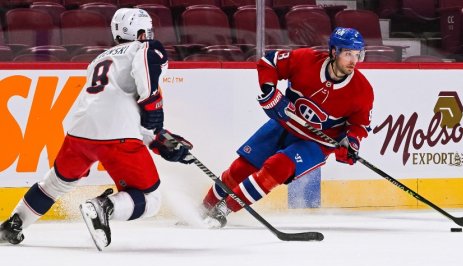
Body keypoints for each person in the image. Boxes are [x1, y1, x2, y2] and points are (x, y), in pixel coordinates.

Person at [0, 8, 193, 250]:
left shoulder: (98, 59)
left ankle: (14, 223)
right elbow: (143, 77)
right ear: (141, 31)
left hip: (79, 133)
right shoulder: (144, 48)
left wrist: (158, 140)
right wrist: (153, 107)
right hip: (117, 136)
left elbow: (118, 106)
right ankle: (104, 207)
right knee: (150, 199)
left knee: (56, 183)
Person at [201, 27, 374, 228]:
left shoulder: (362, 91)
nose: (353, 61)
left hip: (316, 142)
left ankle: (225, 209)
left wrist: (351, 143)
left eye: (357, 54)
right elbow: (269, 62)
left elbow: (360, 125)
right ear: (334, 52)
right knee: (241, 169)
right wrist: (269, 89)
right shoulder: (307, 59)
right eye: (348, 54)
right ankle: (204, 208)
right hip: (283, 124)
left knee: (278, 166)